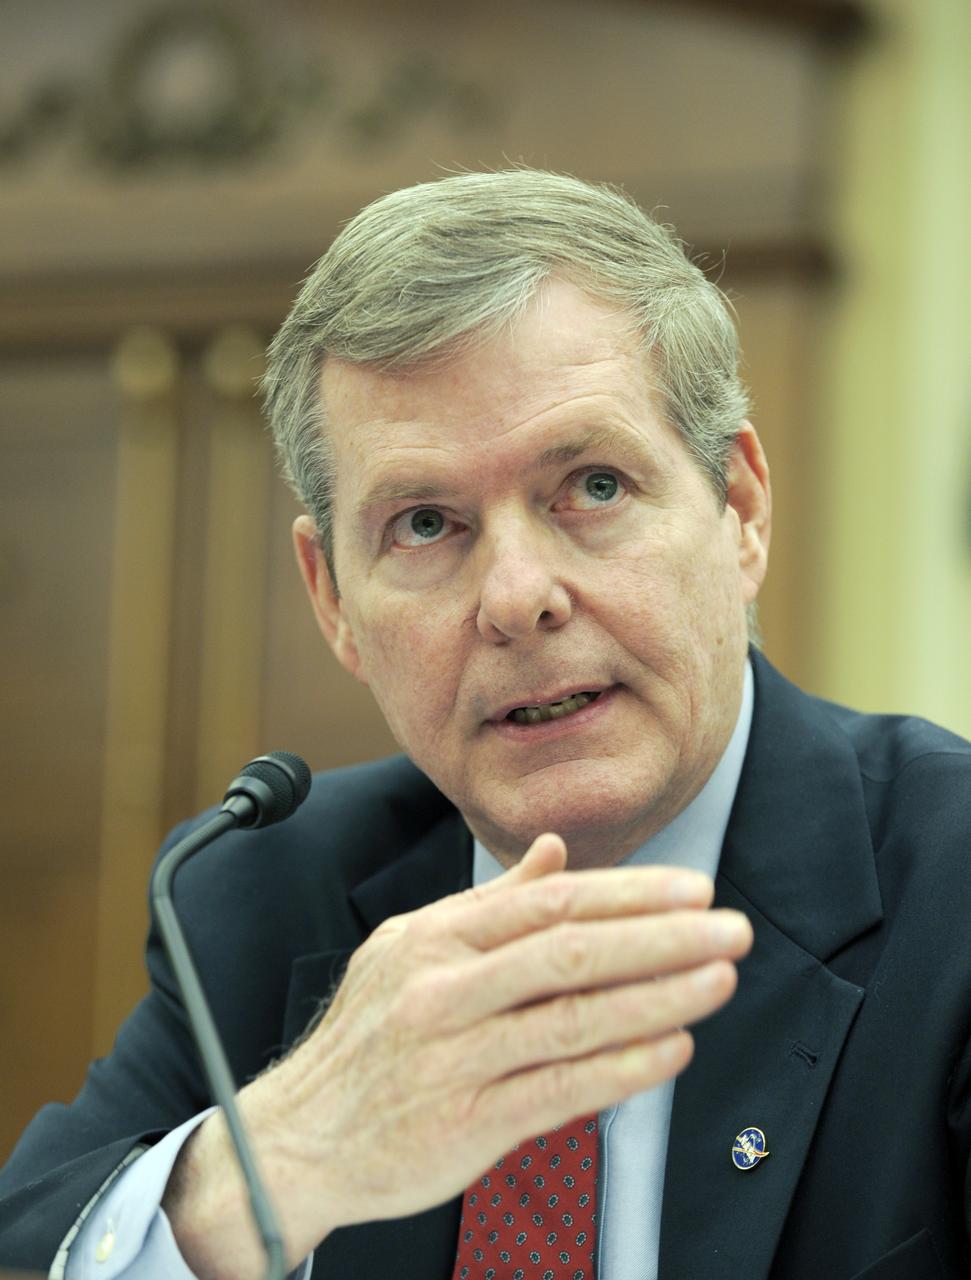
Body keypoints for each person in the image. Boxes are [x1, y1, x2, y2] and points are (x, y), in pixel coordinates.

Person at [1, 169, 970, 1280]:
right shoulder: (260, 895)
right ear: (332, 599)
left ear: (738, 509)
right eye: (424, 522)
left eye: (593, 486)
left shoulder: (952, 885)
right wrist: (275, 1162)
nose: (516, 595)